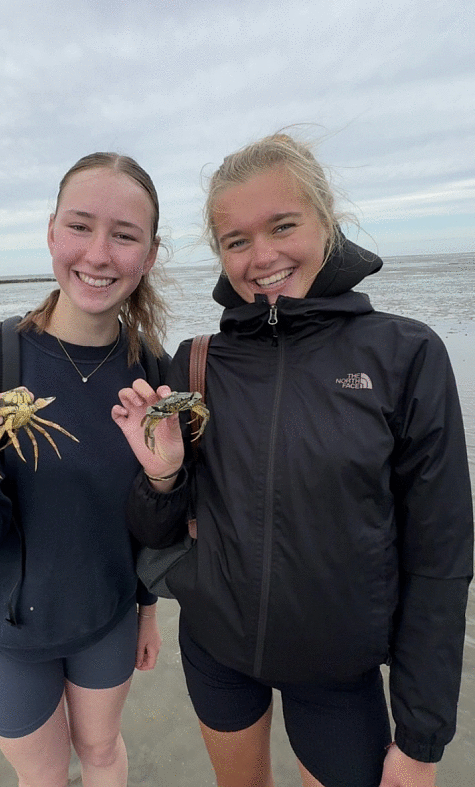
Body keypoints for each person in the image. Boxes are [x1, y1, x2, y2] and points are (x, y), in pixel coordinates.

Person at [112, 132, 474, 787]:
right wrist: (161, 476)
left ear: (326, 220)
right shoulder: (196, 363)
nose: (262, 256)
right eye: (237, 240)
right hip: (215, 650)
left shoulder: (405, 354)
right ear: (220, 252)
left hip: (338, 674)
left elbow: (440, 559)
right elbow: (156, 532)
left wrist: (420, 740)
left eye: (282, 226)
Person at [0, 152, 169, 787]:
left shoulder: (151, 371)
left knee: (102, 752)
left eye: (124, 235)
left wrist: (147, 607)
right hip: (5, 630)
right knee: (45, 776)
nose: (99, 254)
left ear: (149, 255)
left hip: (107, 617)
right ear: (51, 232)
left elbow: (151, 514)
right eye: (80, 226)